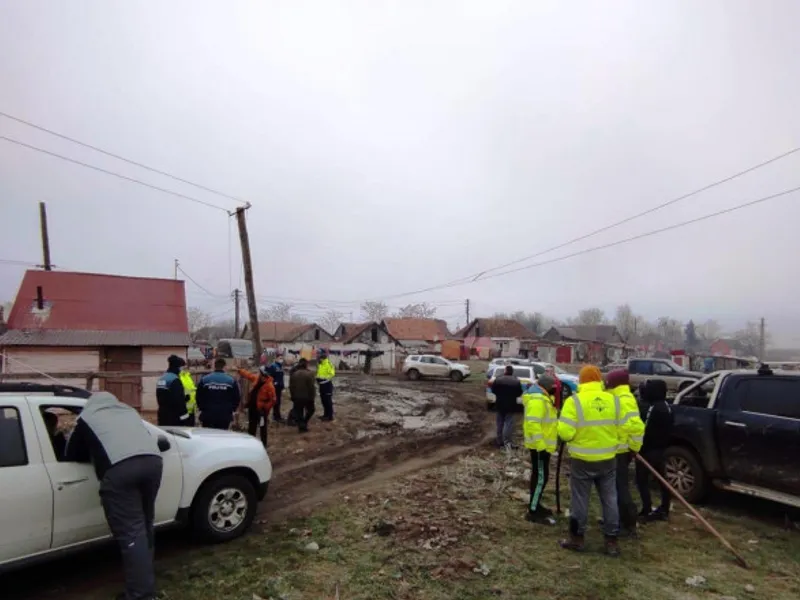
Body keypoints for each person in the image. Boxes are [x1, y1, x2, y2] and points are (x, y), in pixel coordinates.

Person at [64, 391, 163, 600]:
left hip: (120, 470)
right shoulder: (127, 411)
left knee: (131, 532)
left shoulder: (87, 417)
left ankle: (141, 594)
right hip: (153, 463)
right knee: (144, 525)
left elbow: (72, 453)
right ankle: (144, 578)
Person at [557, 365, 635, 557]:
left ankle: (577, 539)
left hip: (582, 460)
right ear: (599, 380)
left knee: (580, 499)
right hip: (608, 459)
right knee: (610, 499)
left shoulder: (574, 402)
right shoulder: (614, 401)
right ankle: (611, 541)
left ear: (582, 381)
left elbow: (565, 433)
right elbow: (625, 428)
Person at [605, 369, 646, 537]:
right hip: (615, 449)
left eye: (609, 381)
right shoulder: (617, 397)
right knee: (612, 487)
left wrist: (634, 448)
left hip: (620, 450)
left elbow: (636, 427)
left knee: (620, 487)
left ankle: (628, 523)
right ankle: (616, 519)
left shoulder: (624, 400)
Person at [635, 379, 674, 521]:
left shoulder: (653, 408)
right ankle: (664, 508)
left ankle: (647, 509)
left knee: (641, 480)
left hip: (649, 450)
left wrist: (638, 446)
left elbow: (644, 428)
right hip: (662, 449)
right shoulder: (667, 407)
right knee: (662, 479)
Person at [522, 374, 558, 524]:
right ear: (547, 387)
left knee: (540, 477)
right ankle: (533, 511)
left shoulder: (542, 398)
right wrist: (541, 446)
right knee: (540, 478)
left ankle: (536, 505)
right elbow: (533, 424)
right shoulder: (538, 400)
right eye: (553, 388)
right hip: (539, 448)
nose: (555, 390)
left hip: (542, 447)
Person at [237, 364, 277, 446]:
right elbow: (249, 375)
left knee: (262, 427)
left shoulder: (270, 386)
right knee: (252, 425)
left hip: (261, 410)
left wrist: (265, 407)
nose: (261, 376)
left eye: (262, 374)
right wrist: (240, 370)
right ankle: (250, 443)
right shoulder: (257, 379)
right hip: (252, 407)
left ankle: (263, 444)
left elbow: (273, 400)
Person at [196, 358, 240, 430]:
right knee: (221, 437)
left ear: (214, 366)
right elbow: (236, 397)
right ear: (224, 367)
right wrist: (232, 409)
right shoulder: (231, 381)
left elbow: (199, 396)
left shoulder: (205, 379)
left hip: (208, 414)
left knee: (208, 436)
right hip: (225, 415)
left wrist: (201, 408)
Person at [490, 365, 524, 449]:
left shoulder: (498, 379)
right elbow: (519, 393)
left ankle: (499, 441)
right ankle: (507, 442)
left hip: (499, 404)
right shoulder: (516, 381)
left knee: (500, 423)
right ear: (512, 372)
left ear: (505, 371)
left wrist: (500, 395)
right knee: (508, 424)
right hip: (511, 405)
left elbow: (493, 390)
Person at [156, 355, 191, 426]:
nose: (182, 370)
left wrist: (184, 399)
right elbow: (179, 401)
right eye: (182, 367)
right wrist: (185, 419)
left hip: (162, 415)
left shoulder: (162, 378)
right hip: (174, 418)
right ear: (177, 367)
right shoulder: (175, 380)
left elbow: (165, 397)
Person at [289, 357, 317, 432]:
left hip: (297, 397)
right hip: (307, 397)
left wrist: (292, 396)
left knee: (299, 412)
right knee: (311, 410)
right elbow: (312, 387)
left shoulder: (294, 374)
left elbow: (291, 387)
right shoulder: (310, 374)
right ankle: (304, 423)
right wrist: (312, 397)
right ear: (306, 365)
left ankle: (301, 426)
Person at [316, 350, 336, 421]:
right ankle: (325, 415)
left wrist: (324, 380)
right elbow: (319, 374)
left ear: (322, 358)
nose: (318, 360)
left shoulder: (328, 364)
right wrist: (317, 379)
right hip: (321, 385)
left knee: (328, 401)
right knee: (323, 401)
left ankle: (330, 416)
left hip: (327, 385)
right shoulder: (321, 365)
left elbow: (332, 374)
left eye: (319, 358)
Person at [266, 354, 286, 423]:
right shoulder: (273, 366)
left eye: (282, 358)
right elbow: (269, 376)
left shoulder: (280, 367)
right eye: (280, 358)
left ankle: (277, 416)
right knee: (274, 402)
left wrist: (282, 385)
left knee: (278, 402)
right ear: (276, 358)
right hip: (274, 387)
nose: (281, 359)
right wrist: (272, 383)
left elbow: (281, 377)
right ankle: (274, 416)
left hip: (279, 387)